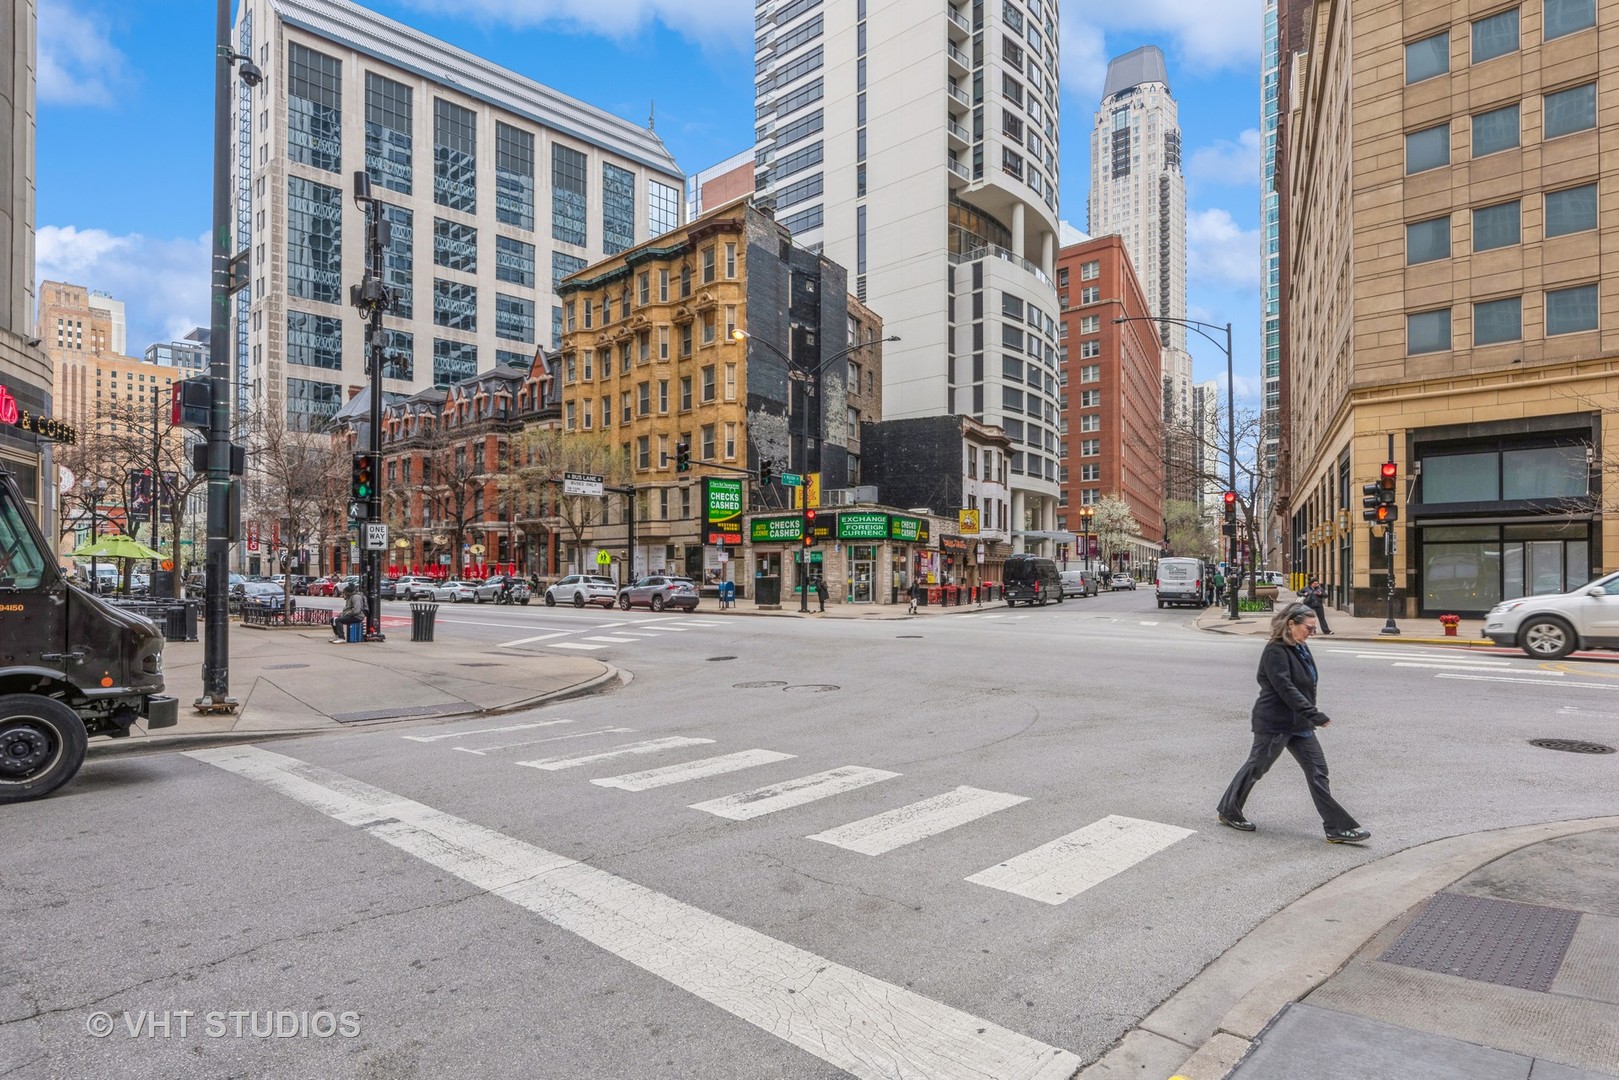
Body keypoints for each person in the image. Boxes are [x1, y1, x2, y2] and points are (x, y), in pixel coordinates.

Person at [1216, 604, 1369, 843]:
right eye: (1308, 627)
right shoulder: (1275, 651)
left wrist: (1307, 715)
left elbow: (1306, 684)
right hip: (1275, 722)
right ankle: (1229, 810)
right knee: (1257, 767)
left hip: (1300, 725)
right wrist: (1313, 713)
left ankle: (1336, 828)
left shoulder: (1300, 647)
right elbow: (1285, 688)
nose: (1312, 632)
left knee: (1318, 772)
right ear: (1291, 624)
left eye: (1313, 628)